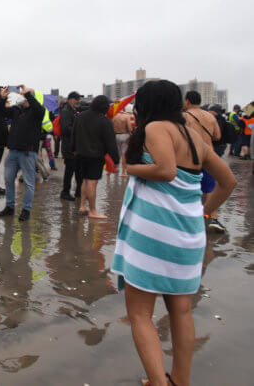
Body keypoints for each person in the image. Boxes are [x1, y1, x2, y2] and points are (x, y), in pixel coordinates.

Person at [110, 80, 236, 386]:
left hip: (153, 234)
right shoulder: (193, 136)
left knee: (140, 315)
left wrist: (132, 167)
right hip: (188, 234)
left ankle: (157, 382)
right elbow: (228, 181)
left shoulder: (155, 128)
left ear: (147, 104)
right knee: (181, 311)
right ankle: (180, 380)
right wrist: (205, 213)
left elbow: (165, 170)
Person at [0, 85, 45, 222]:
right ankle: (10, 207)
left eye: (26, 95)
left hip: (28, 152)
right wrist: (2, 97)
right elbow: (1, 112)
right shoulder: (17, 110)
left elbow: (38, 109)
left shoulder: (37, 111)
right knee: (8, 179)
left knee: (29, 183)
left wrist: (28, 93)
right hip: (13, 151)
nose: (22, 96)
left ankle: (26, 210)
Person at [71, 95, 120, 219]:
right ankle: (93, 211)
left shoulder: (80, 116)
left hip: (80, 154)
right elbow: (111, 143)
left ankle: (82, 206)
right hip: (96, 156)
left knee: (84, 181)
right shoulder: (105, 121)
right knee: (92, 182)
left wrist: (73, 149)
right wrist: (116, 160)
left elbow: (74, 134)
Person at [182, 91, 223, 232]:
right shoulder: (210, 116)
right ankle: (212, 217)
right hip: (208, 155)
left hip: (191, 157)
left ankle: (190, 217)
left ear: (187, 101)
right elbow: (217, 136)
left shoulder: (185, 116)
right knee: (210, 188)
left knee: (190, 187)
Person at [59, 91, 83, 201]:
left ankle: (79, 192)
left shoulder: (74, 111)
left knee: (79, 171)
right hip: (69, 147)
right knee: (69, 171)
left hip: (77, 147)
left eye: (79, 99)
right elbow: (65, 128)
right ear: (70, 99)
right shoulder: (65, 111)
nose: (79, 101)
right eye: (76, 99)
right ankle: (65, 192)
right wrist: (80, 130)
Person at [112, 104, 135, 177]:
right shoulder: (127, 116)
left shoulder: (114, 116)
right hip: (125, 135)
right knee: (124, 154)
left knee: (117, 153)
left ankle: (115, 169)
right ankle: (123, 172)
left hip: (116, 135)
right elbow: (129, 127)